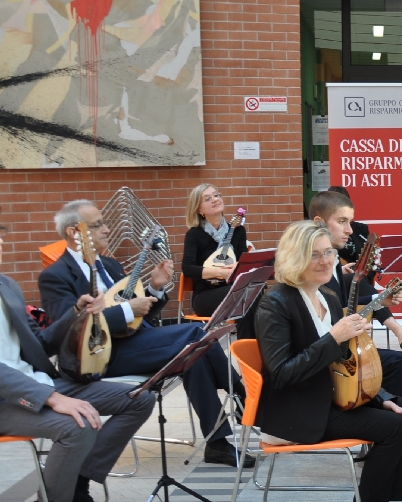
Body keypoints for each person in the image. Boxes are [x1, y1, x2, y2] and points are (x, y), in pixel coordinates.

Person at [38, 200, 252, 468]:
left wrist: (154, 289)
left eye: (105, 223)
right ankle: (242, 393)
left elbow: (142, 313)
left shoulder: (110, 264)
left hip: (139, 340)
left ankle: (217, 443)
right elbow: (70, 330)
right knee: (196, 333)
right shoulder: (55, 276)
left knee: (192, 354)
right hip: (102, 355)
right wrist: (128, 309)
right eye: (99, 225)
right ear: (74, 232)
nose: (107, 230)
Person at [254, 221, 402, 502]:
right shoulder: (275, 303)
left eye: (328, 253)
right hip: (297, 410)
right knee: (392, 428)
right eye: (313, 255)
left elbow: (344, 364)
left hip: (327, 398)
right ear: (293, 258)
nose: (324, 261)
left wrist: (382, 396)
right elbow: (283, 373)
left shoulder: (329, 297)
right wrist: (334, 336)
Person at [0, 226, 155, 502]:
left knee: (139, 398)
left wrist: (76, 315)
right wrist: (52, 398)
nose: (3, 241)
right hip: (8, 400)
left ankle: (74, 487)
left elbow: (41, 344)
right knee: (77, 425)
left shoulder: (7, 286)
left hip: (40, 381)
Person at [309, 190, 402, 401]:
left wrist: (379, 299)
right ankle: (390, 410)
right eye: (342, 221)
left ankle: (396, 410)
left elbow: (342, 305)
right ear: (319, 222)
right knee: (399, 364)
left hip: (339, 346)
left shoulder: (332, 259)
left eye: (350, 221)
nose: (349, 230)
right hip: (329, 356)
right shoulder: (315, 266)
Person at [181, 184, 250, 318]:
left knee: (253, 293)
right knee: (244, 294)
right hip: (205, 296)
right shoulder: (194, 234)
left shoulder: (238, 231)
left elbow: (244, 262)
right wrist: (221, 273)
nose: (214, 199)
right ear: (199, 210)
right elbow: (188, 268)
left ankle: (249, 339)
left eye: (216, 195)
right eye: (207, 199)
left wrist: (239, 266)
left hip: (235, 290)